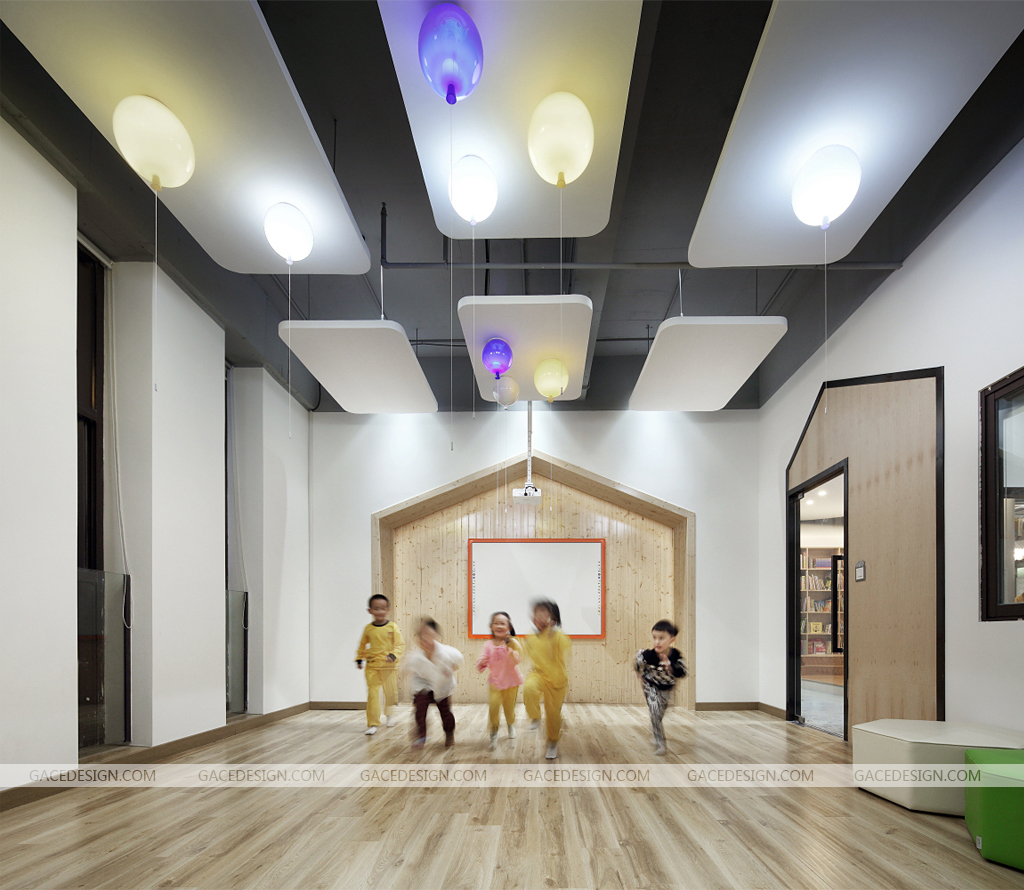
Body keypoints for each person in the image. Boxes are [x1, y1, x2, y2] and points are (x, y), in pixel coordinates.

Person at [522, 600, 571, 760]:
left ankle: (552, 743)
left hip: (557, 680)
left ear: (552, 617)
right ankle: (535, 716)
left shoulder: (557, 635)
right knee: (529, 688)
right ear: (533, 617)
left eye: (545, 614)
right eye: (537, 613)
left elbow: (565, 645)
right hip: (538, 674)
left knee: (553, 715)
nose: (540, 617)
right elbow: (527, 655)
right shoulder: (531, 637)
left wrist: (553, 632)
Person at [404, 618, 464, 748]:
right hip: (422, 685)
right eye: (422, 636)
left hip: (442, 687)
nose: (425, 638)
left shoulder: (448, 653)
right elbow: (406, 668)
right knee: (420, 709)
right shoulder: (415, 657)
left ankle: (449, 733)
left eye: (429, 634)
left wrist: (453, 667)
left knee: (445, 713)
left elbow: (459, 659)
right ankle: (421, 736)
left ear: (436, 636)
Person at [354, 594, 405, 735]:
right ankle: (373, 723)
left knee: (390, 693)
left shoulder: (392, 627)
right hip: (372, 666)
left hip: (389, 666)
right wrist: (359, 658)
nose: (380, 612)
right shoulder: (368, 629)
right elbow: (362, 645)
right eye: (376, 609)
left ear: (388, 610)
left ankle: (389, 715)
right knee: (372, 694)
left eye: (383, 609)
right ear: (370, 610)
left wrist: (393, 655)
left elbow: (400, 645)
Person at [635, 619, 687, 755]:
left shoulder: (675, 655)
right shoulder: (649, 655)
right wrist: (639, 672)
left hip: (667, 688)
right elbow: (638, 658)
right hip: (651, 686)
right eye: (654, 638)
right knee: (654, 712)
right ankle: (660, 743)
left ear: (671, 640)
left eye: (661, 638)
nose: (657, 642)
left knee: (659, 714)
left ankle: (656, 731)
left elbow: (683, 672)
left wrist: (670, 667)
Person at [475, 611, 523, 750]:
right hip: (495, 683)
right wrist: (482, 662)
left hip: (511, 683)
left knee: (509, 709)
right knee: (494, 707)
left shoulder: (512, 643)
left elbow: (517, 660)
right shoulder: (488, 644)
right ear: (491, 626)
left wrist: (511, 651)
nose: (499, 626)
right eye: (496, 623)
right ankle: (494, 733)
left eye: (502, 623)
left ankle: (510, 724)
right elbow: (483, 660)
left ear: (508, 627)